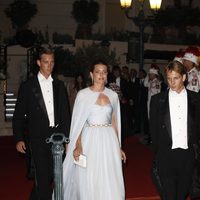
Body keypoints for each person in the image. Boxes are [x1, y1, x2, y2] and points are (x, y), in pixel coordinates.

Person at [62, 60, 126, 200]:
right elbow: (78, 123)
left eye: (104, 72)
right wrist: (78, 145)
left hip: (109, 139)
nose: (101, 75)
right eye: (98, 72)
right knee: (90, 175)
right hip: (89, 138)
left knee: (110, 174)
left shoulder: (113, 96)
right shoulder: (83, 95)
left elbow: (115, 121)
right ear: (92, 74)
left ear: (107, 75)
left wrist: (119, 146)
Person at [13, 46, 71, 200]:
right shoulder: (27, 86)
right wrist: (18, 138)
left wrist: (67, 139)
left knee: (51, 175)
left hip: (57, 138)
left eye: (52, 62)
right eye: (46, 62)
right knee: (43, 176)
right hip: (37, 138)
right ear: (39, 62)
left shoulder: (59, 86)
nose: (49, 65)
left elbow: (65, 115)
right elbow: (18, 115)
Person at [150, 60, 200, 200]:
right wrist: (157, 154)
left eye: (176, 78)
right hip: (166, 155)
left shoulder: (196, 99)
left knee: (182, 194)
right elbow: (153, 130)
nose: (172, 82)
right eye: (169, 78)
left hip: (188, 155)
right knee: (169, 195)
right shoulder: (157, 100)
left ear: (184, 77)